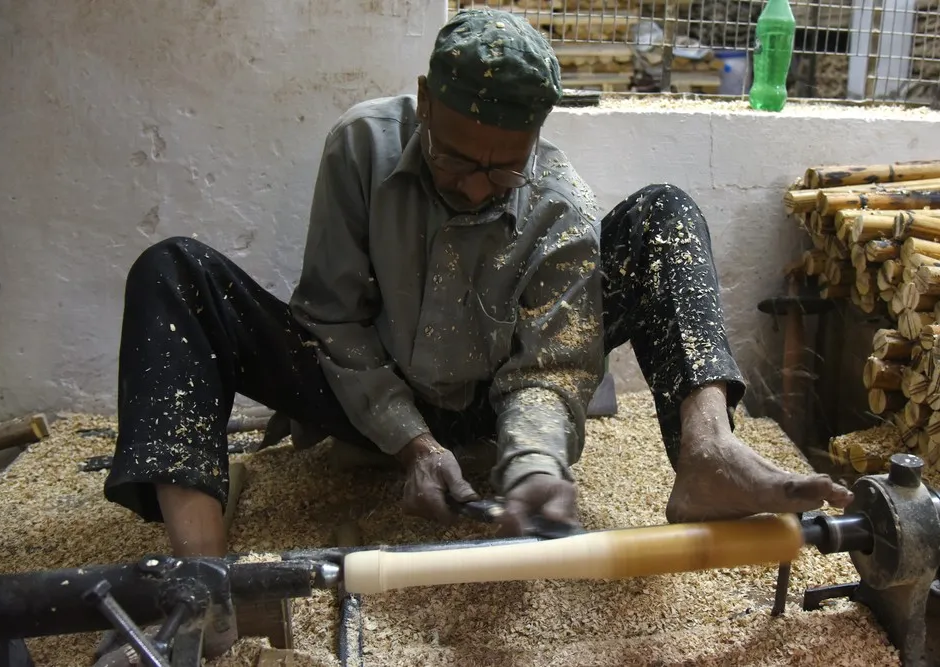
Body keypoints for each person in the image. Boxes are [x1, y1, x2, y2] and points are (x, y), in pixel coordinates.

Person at [99, 8, 852, 659]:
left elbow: (551, 370)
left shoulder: (559, 206)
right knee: (173, 271)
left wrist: (530, 471)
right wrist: (410, 442)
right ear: (425, 102)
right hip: (366, 393)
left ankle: (708, 452)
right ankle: (201, 582)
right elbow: (331, 317)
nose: (475, 184)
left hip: (490, 399)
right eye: (458, 158)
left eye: (504, 170)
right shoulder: (359, 146)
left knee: (665, 218)